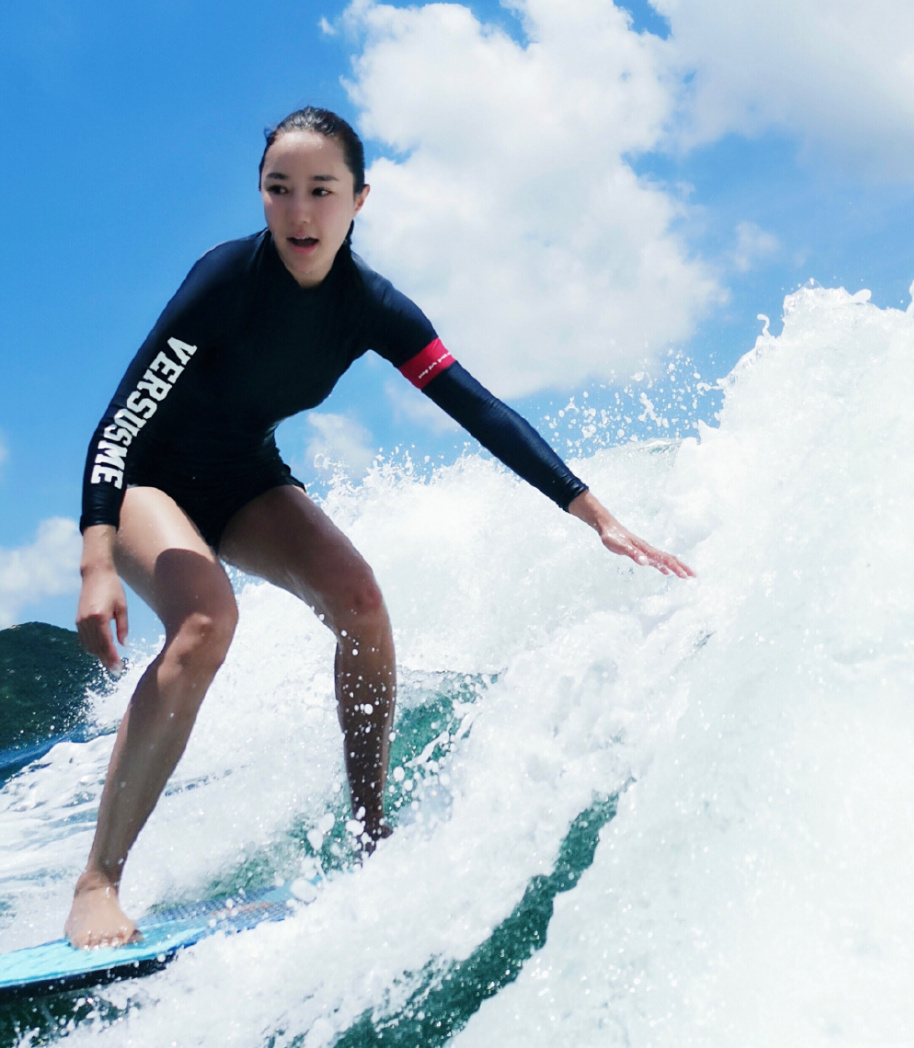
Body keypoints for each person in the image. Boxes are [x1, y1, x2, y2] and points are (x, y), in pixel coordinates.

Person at [68, 107, 694, 949]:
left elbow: (474, 405)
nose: (299, 213)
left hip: (244, 479)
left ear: (359, 199)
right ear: (259, 195)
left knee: (361, 599)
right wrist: (96, 560)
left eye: (321, 192)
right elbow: (121, 418)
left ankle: (372, 831)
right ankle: (98, 880)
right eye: (279, 190)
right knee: (208, 619)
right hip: (146, 478)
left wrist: (593, 512)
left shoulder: (372, 308)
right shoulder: (223, 281)